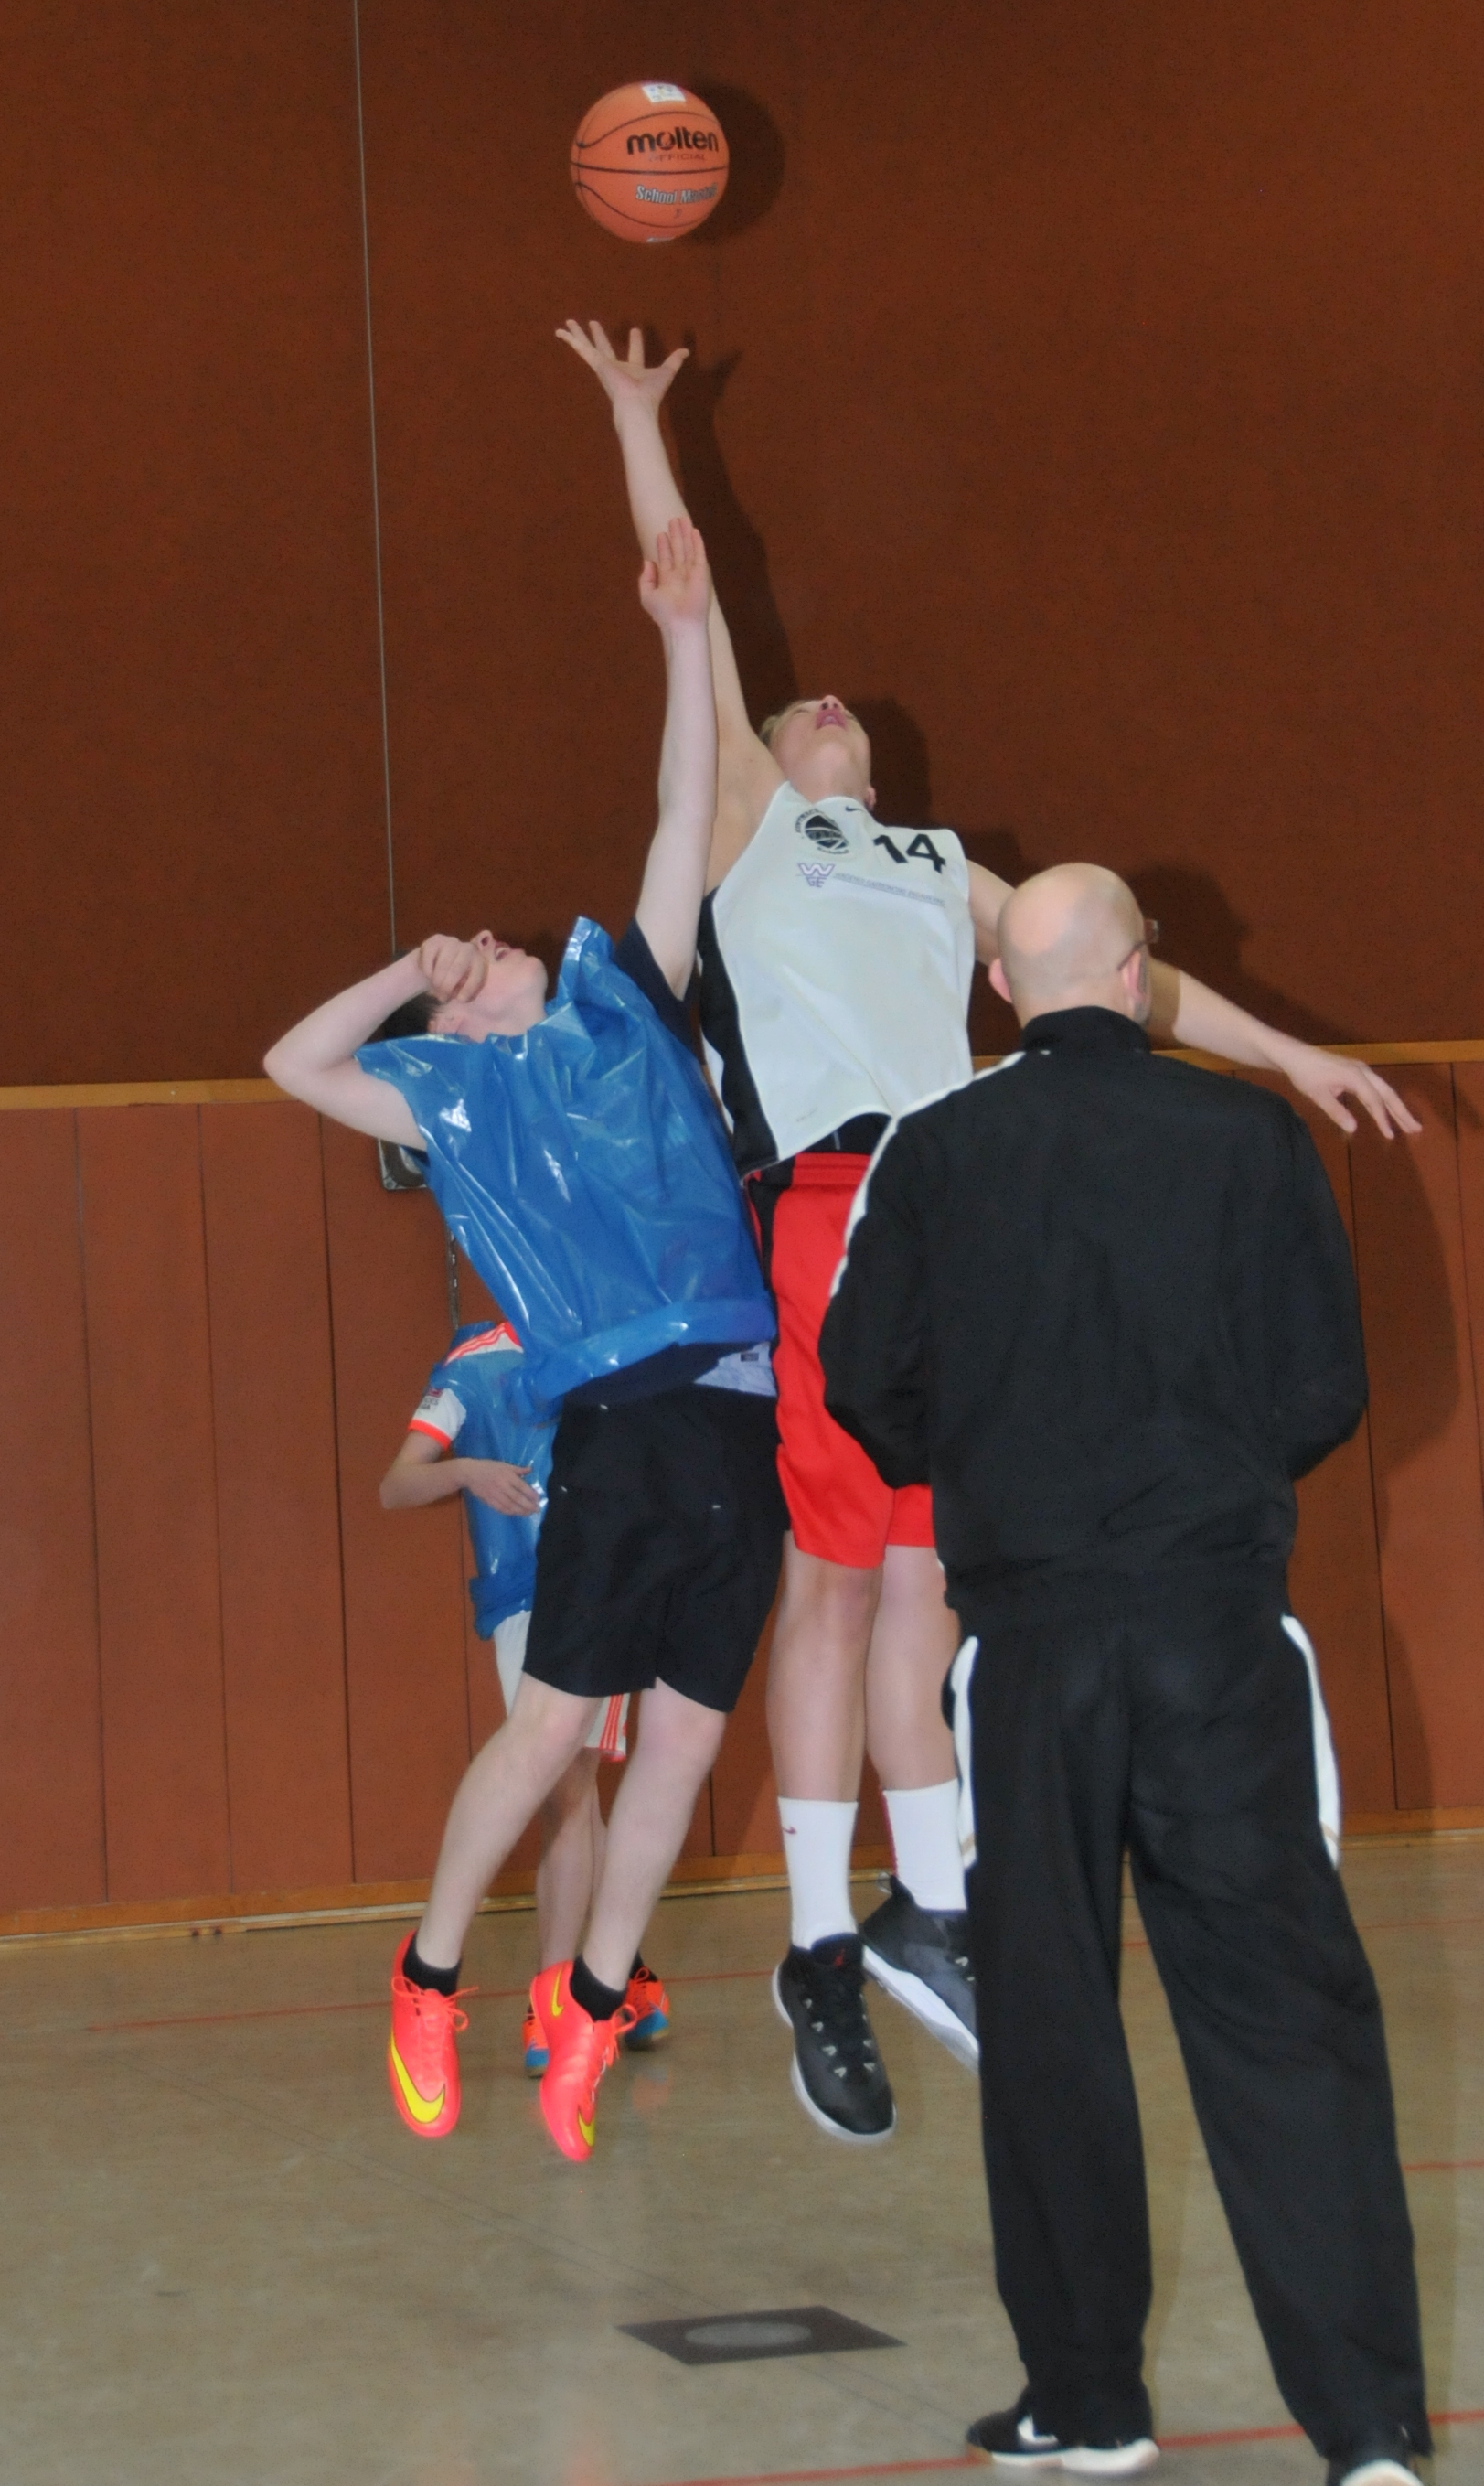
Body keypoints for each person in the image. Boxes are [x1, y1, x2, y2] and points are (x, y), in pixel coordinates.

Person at [560, 316, 1420, 2146]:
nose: (825, 705)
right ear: (767, 758)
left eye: (842, 713)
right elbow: (687, 589)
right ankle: (815, 1939)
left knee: (930, 1585)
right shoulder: (756, 830)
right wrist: (639, 424)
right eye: (798, 710)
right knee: (828, 1580)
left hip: (952, 1217)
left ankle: (926, 1907)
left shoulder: (940, 868)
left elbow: (1125, 977)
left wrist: (1290, 1052)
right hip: (822, 1204)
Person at [819, 863, 1427, 2484]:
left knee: (1045, 2018)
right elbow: (1323, 1381)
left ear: (999, 991)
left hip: (1026, 1646)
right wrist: (1194, 1482)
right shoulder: (1247, 1138)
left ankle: (1087, 2403)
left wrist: (1006, 1469)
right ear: (1142, 971)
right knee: (1283, 2012)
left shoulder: (931, 1149)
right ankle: (1367, 2433)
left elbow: (863, 1381)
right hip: (1215, 1630)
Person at [264, 515, 785, 2165]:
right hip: (617, 1422)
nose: (490, 943)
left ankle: (595, 1999)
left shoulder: (630, 1002)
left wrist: (683, 639)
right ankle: (428, 1979)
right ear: (453, 1023)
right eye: (468, 962)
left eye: (489, 944)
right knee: (554, 1725)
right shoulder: (461, 1098)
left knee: (687, 1743)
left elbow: (683, 813)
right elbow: (291, 1064)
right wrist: (398, 973)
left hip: (741, 1413)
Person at [379, 1313, 670, 2067]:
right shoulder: (474, 1363)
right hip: (521, 1598)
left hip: (606, 1589)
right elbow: (397, 1485)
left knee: (573, 1792)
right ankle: (596, 1983)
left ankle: (575, 1994)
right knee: (567, 1795)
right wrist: (467, 1472)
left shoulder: (608, 1342)